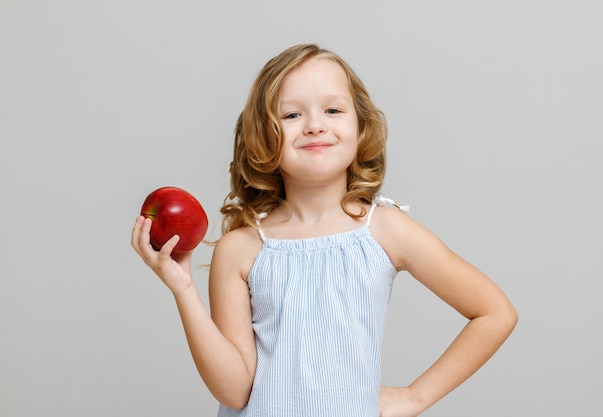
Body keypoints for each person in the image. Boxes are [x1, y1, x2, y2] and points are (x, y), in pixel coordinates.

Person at [131, 43, 517, 417]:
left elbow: (495, 312)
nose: (315, 125)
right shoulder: (240, 248)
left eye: (333, 109)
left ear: (361, 126)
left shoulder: (385, 230)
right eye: (291, 115)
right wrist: (183, 288)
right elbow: (234, 390)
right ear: (263, 136)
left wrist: (416, 397)